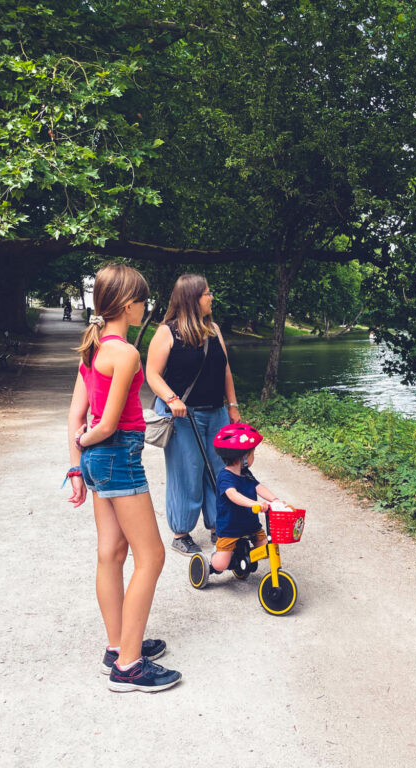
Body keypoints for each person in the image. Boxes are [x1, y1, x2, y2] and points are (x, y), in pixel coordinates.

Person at [66, 264, 181, 693]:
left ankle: (118, 647)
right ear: (128, 304)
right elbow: (105, 424)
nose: (145, 307)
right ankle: (130, 667)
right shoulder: (127, 353)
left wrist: (77, 460)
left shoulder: (94, 348)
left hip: (97, 462)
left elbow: (78, 414)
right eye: (143, 300)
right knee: (151, 556)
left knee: (111, 553)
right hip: (116, 457)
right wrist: (88, 439)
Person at [145, 274, 241, 556]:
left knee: (220, 470)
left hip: (216, 413)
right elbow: (152, 373)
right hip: (183, 416)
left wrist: (232, 406)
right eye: (207, 293)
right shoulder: (167, 332)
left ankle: (217, 526)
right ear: (192, 298)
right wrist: (171, 398)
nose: (212, 298)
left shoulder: (213, 329)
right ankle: (181, 532)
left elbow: (224, 369)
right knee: (187, 473)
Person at [209, 423, 286, 575]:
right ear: (243, 457)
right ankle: (210, 562)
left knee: (267, 548)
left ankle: (242, 556)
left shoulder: (246, 473)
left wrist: (274, 500)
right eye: (252, 453)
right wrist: (254, 504)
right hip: (230, 528)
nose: (253, 457)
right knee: (221, 565)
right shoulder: (225, 476)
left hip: (251, 525)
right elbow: (233, 495)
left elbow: (258, 487)